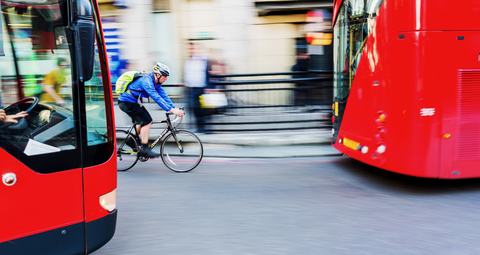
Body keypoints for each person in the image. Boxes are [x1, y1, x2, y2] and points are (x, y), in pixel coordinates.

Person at [118, 62, 184, 158]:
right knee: (147, 121)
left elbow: (164, 96)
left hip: (133, 102)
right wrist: (172, 110)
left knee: (145, 120)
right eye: (165, 76)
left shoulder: (156, 83)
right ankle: (145, 149)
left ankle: (131, 139)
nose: (166, 78)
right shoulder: (147, 81)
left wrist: (173, 108)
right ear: (158, 75)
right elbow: (156, 98)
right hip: (126, 103)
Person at [183, 42, 209, 133]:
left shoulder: (201, 59)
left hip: (200, 87)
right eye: (189, 49)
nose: (190, 50)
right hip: (191, 88)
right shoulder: (188, 60)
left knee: (200, 108)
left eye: (192, 48)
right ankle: (199, 126)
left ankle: (203, 127)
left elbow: (205, 72)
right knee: (194, 108)